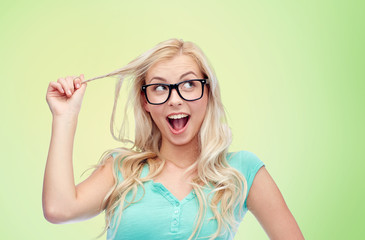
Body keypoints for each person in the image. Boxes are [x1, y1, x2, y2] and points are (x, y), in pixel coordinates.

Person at [43, 39, 304, 240]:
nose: (175, 99)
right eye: (159, 88)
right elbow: (59, 209)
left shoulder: (242, 171)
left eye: (189, 84)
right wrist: (64, 116)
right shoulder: (122, 169)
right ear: (145, 101)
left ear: (208, 92)